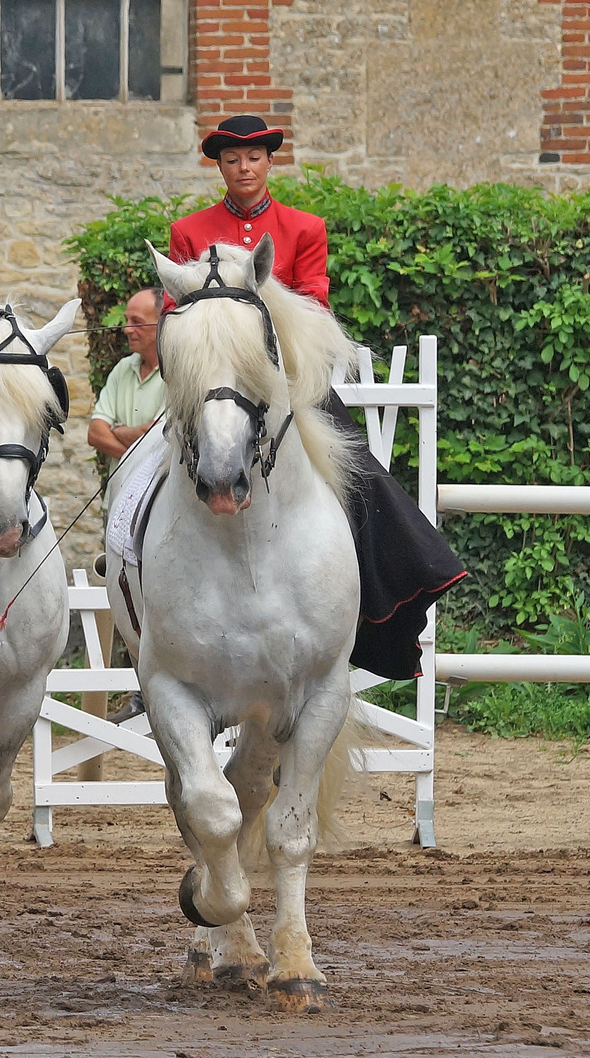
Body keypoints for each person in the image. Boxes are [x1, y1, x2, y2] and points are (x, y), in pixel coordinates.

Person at [167, 115, 467, 680]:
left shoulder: (304, 228)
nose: (243, 168)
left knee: (357, 468)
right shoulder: (189, 231)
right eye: (232, 159)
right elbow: (174, 318)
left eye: (253, 158)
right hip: (208, 385)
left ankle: (377, 593)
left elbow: (313, 312)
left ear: (269, 163)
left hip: (287, 384)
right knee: (143, 472)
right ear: (220, 168)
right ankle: (131, 565)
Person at [89, 287, 166, 477]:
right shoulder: (123, 368)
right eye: (127, 320)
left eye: (137, 322)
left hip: (156, 502)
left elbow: (159, 439)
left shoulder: (178, 374)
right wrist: (135, 465)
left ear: (162, 323)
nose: (127, 329)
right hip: (116, 501)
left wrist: (116, 430)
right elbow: (95, 433)